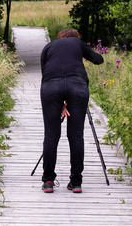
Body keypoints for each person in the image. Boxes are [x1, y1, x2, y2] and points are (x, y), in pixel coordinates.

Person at [40, 29, 104, 193]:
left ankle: (48, 181)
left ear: (59, 38)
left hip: (50, 86)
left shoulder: (49, 47)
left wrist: (61, 102)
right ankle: (76, 182)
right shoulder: (77, 43)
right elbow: (99, 60)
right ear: (75, 38)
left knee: (51, 135)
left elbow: (45, 72)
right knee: (76, 135)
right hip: (78, 85)